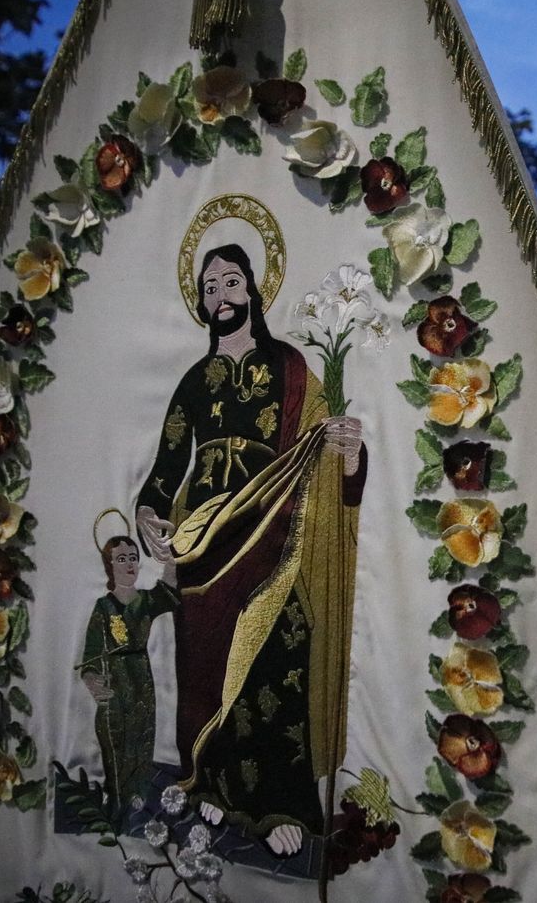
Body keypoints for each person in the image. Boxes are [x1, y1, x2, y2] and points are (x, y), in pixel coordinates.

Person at [135, 244, 367, 857]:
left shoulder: (288, 366)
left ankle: (281, 803)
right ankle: (212, 782)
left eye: (230, 282)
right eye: (209, 288)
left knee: (277, 649)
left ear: (253, 291)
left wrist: (348, 450)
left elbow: (325, 447)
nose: (220, 297)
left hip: (273, 524)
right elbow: (166, 468)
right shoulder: (192, 382)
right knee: (206, 661)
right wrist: (148, 513)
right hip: (204, 536)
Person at [78, 534, 180, 828]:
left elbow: (168, 592)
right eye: (121, 559)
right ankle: (115, 797)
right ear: (109, 565)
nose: (129, 564)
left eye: (133, 558)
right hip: (113, 681)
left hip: (141, 678)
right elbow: (90, 653)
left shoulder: (145, 601)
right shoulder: (103, 607)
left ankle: (136, 798)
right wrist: (92, 681)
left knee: (141, 737)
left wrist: (171, 556)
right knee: (114, 739)